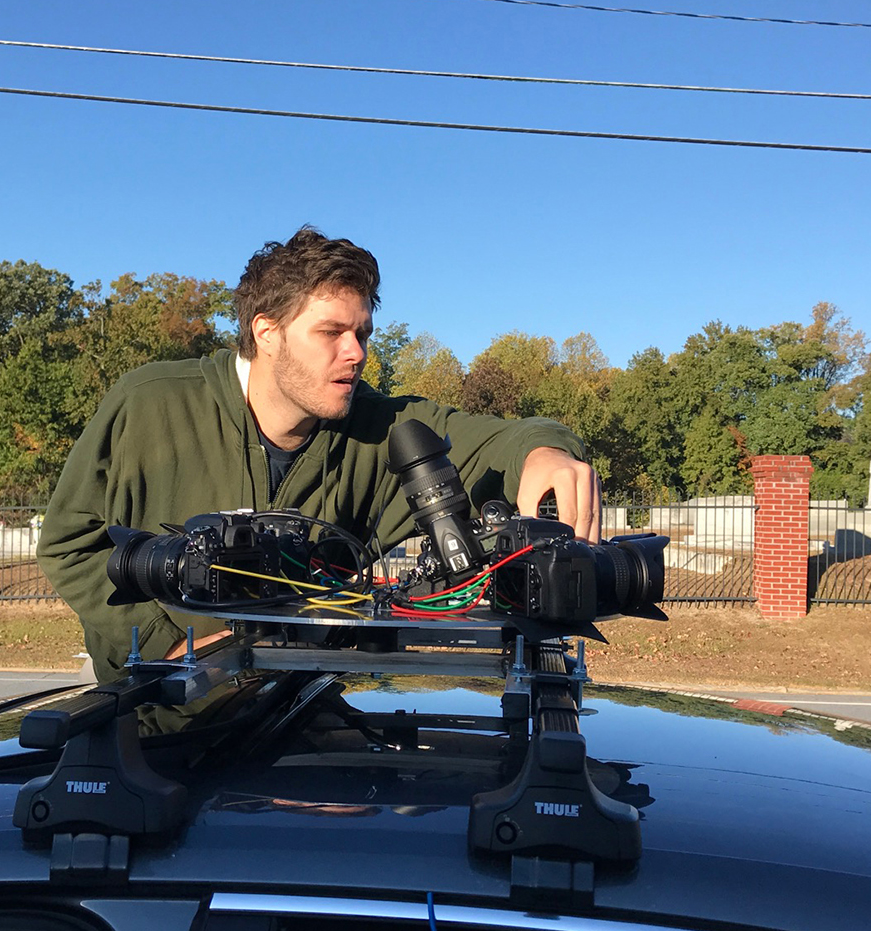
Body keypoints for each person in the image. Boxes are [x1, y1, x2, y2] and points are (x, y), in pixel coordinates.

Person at [38, 226, 601, 681]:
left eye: (363, 333)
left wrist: (545, 453)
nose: (356, 354)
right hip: (157, 727)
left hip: (302, 716)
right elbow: (70, 545)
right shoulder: (148, 405)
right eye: (331, 332)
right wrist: (169, 644)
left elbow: (496, 439)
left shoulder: (379, 428)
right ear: (266, 331)